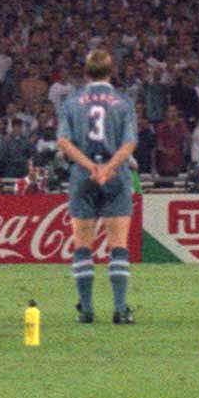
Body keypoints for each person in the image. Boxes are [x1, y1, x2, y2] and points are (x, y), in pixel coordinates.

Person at [59, 49, 140, 325]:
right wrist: (108, 168)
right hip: (116, 176)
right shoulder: (123, 102)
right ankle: (119, 309)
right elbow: (129, 143)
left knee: (83, 244)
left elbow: (64, 142)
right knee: (118, 245)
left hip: (83, 176)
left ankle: (87, 309)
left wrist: (90, 167)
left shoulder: (71, 102)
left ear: (86, 72)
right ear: (111, 70)